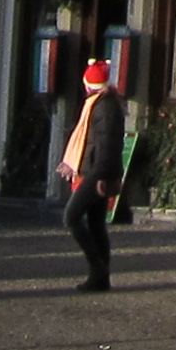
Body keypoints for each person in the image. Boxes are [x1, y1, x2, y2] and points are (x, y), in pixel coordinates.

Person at [56, 58, 126, 292]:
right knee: (96, 224)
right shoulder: (101, 103)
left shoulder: (104, 106)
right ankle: (100, 280)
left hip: (96, 172)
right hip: (96, 170)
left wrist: (99, 177)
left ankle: (98, 268)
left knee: (72, 217)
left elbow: (107, 145)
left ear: (88, 85)